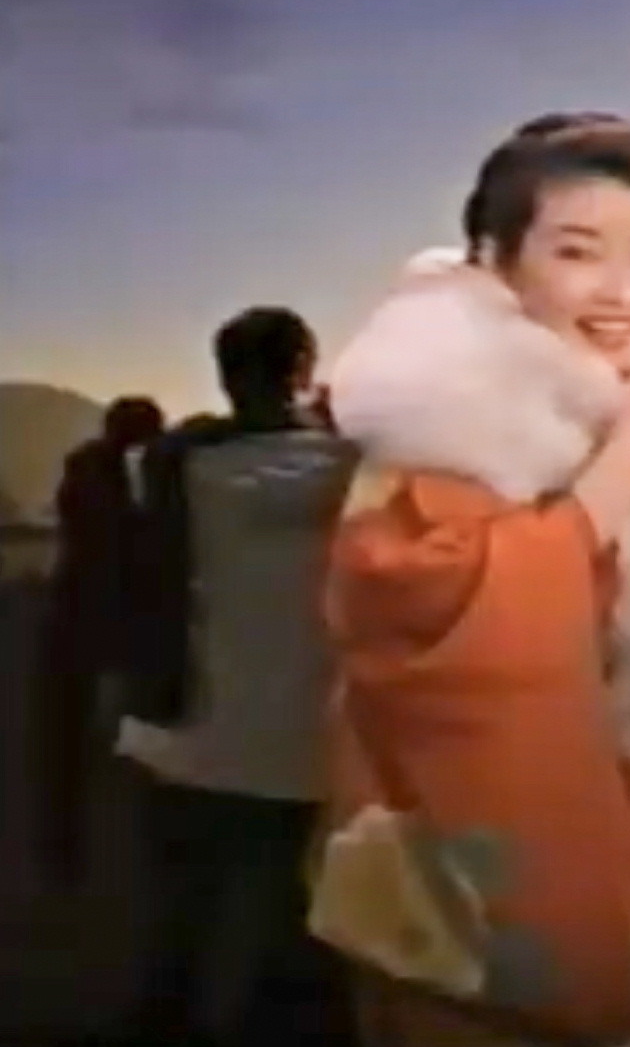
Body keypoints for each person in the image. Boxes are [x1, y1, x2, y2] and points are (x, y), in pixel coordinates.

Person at [316, 114, 630, 1047]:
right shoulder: (436, 424)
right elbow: (425, 625)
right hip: (506, 880)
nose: (625, 292)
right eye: (578, 252)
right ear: (496, 259)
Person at [117, 307, 360, 1046]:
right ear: (305, 369)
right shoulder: (351, 466)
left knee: (183, 917)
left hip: (192, 721)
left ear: (225, 374)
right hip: (311, 735)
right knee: (296, 925)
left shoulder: (174, 465)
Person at [34, 395, 164, 888]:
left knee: (67, 742)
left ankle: (65, 852)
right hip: (107, 620)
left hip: (77, 618)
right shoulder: (121, 479)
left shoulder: (88, 469)